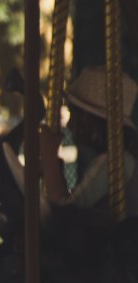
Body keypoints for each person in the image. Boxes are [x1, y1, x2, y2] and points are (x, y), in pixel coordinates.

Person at [40, 65, 138, 218]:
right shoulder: (120, 158)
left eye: (74, 114)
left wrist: (49, 155)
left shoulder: (114, 162)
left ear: (91, 121)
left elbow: (63, 215)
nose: (70, 124)